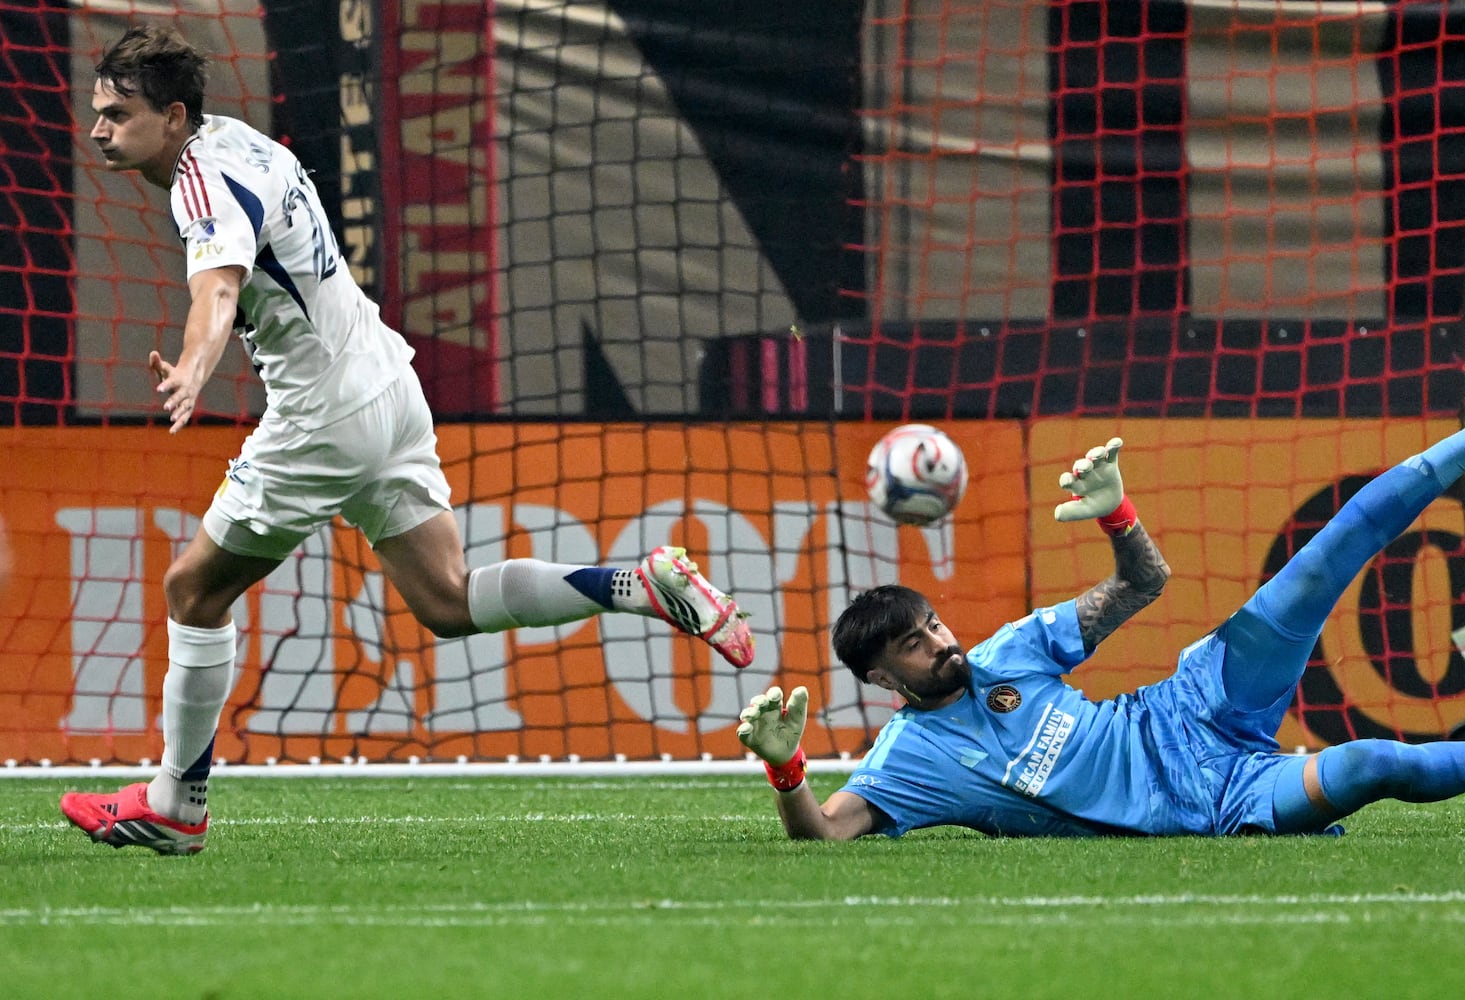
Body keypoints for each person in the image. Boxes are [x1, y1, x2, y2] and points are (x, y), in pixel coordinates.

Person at [61, 25, 753, 856]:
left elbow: (216, 293)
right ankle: (636, 584)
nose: (99, 129)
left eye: (119, 113)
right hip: (386, 383)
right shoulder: (238, 142)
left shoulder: (203, 185)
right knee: (448, 600)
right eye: (97, 112)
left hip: (321, 417)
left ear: (173, 116)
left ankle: (177, 803)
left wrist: (195, 369)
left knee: (192, 592)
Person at [739, 432, 1465, 840]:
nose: (939, 643)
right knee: (1373, 766)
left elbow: (1142, 583)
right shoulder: (909, 763)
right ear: (882, 679)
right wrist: (785, 770)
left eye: (932, 624)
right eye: (913, 645)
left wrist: (1117, 517)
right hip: (1215, 803)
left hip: (1192, 705)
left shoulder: (1008, 651)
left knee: (1318, 565)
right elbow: (825, 834)